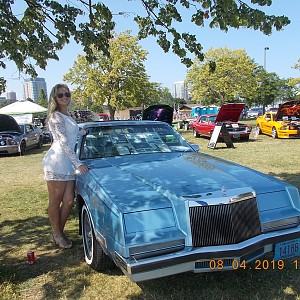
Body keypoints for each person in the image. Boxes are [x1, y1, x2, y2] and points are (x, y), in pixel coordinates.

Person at [42, 83, 89, 249]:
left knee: (69, 201)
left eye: (67, 94)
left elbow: (71, 133)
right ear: (55, 98)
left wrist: (83, 131)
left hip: (68, 163)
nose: (64, 97)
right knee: (55, 200)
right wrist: (78, 163)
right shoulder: (55, 116)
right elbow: (62, 141)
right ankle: (57, 234)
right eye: (60, 95)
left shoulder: (67, 115)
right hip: (57, 161)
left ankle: (57, 233)